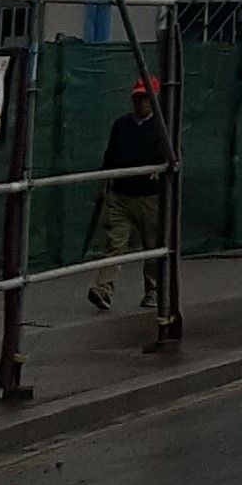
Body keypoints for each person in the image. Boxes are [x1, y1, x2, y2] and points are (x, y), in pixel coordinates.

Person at [86, 77, 169, 313]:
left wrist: (160, 170)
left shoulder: (162, 127)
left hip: (149, 197)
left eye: (144, 98)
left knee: (152, 245)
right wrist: (104, 184)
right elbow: (110, 156)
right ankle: (104, 289)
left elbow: (173, 158)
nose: (140, 103)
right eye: (137, 98)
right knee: (114, 242)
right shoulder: (121, 125)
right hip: (120, 194)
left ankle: (153, 290)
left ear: (154, 100)